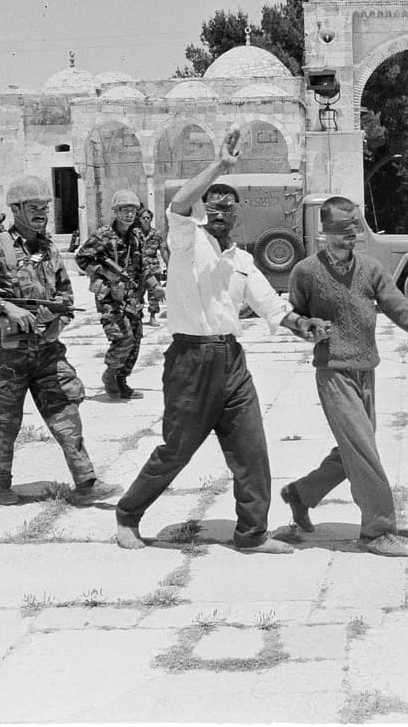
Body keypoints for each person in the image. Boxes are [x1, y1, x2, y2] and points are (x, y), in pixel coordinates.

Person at [115, 132, 328, 553]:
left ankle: (252, 534)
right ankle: (127, 515)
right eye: (212, 204)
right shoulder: (186, 240)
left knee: (252, 452)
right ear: (203, 209)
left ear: (237, 214)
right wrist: (220, 165)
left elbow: (272, 307)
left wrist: (304, 325)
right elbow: (178, 205)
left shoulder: (243, 260)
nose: (219, 211)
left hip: (231, 362)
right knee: (176, 451)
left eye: (227, 206)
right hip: (190, 361)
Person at [279, 196, 408, 558]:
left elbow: (402, 310)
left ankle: (300, 493)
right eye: (341, 230)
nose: (350, 236)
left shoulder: (371, 268)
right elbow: (293, 316)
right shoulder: (305, 272)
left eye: (354, 227)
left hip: (367, 372)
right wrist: (306, 328)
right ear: (325, 231)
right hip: (333, 373)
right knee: (364, 451)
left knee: (354, 450)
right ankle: (377, 531)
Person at [0, 175, 120, 507]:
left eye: (45, 207)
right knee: (6, 423)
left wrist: (54, 319)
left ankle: (86, 483)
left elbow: (65, 297)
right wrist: (6, 307)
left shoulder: (48, 249)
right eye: (34, 207)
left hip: (48, 351)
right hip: (11, 355)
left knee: (66, 415)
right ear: (16, 209)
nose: (41, 213)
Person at [75, 190, 164, 399]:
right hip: (110, 296)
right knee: (123, 338)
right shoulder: (103, 235)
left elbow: (143, 266)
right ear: (116, 211)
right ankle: (111, 375)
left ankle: (121, 380)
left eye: (133, 210)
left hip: (132, 296)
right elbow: (82, 258)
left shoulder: (137, 235)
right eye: (124, 210)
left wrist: (155, 286)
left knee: (136, 339)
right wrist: (105, 272)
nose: (129, 214)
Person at [135, 208, 169, 325]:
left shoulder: (157, 234)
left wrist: (168, 265)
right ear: (139, 219)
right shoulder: (135, 233)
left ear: (151, 219)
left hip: (153, 268)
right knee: (137, 294)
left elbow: (163, 250)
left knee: (154, 294)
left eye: (148, 218)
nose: (146, 220)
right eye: (143, 218)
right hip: (138, 268)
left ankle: (153, 317)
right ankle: (138, 317)